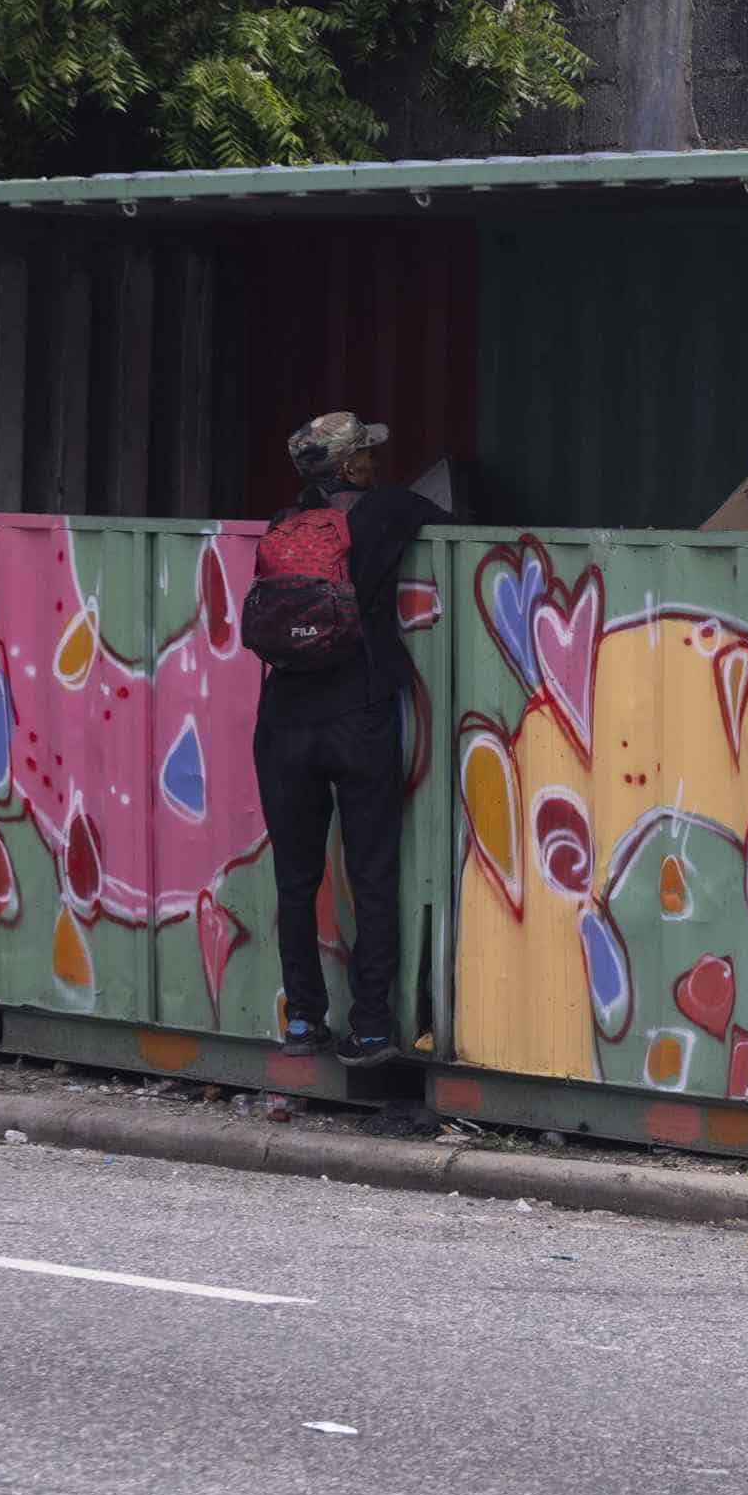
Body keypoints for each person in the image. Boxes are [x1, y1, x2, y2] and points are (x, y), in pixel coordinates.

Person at [243, 410, 440, 1061]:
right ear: (351, 465)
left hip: (283, 722)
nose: (375, 464)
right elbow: (462, 527)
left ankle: (302, 1020)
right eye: (367, 456)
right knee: (372, 872)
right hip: (359, 712)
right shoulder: (389, 512)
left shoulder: (281, 525)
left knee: (296, 879)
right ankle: (372, 1028)